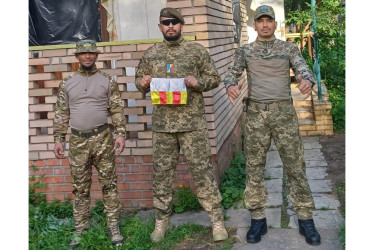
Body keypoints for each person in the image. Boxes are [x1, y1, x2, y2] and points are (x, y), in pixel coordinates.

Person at [224, 5, 321, 246]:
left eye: (269, 21)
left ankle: (306, 218)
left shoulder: (288, 48)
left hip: (284, 115)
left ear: (275, 25)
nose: (265, 25)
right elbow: (230, 74)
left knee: (295, 166)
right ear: (255, 25)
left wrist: (305, 79)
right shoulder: (245, 51)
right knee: (254, 168)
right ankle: (258, 218)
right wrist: (230, 85)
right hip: (256, 116)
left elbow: (302, 68)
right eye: (261, 21)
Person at [135, 7, 228, 243]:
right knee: (162, 175)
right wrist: (143, 82)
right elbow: (139, 81)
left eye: (174, 22)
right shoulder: (151, 54)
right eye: (166, 23)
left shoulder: (196, 51)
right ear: (160, 27)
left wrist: (199, 82)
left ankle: (217, 220)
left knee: (203, 173)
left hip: (192, 125)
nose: (170, 27)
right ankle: (161, 221)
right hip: (163, 127)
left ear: (181, 25)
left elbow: (215, 78)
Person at [53, 39, 126, 248]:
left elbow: (117, 110)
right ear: (77, 56)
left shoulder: (107, 81)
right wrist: (58, 138)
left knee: (109, 185)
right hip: (77, 141)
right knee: (80, 188)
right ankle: (80, 229)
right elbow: (61, 113)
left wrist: (120, 134)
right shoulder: (67, 82)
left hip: (103, 138)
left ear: (96, 55)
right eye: (84, 54)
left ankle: (114, 228)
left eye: (91, 53)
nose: (88, 56)